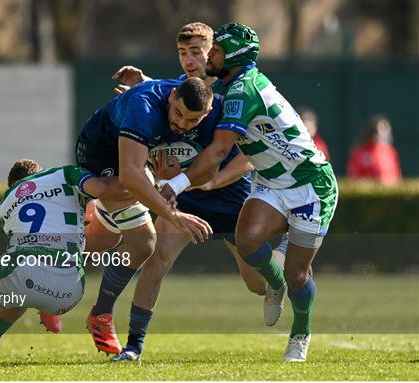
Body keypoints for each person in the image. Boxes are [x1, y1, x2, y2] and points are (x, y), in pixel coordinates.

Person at [104, 22, 287, 362]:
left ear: (214, 54)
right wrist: (140, 87)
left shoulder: (234, 94)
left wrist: (211, 182)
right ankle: (134, 347)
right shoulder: (180, 91)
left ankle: (279, 268)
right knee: (157, 259)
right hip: (185, 196)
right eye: (182, 53)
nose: (189, 60)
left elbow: (249, 157)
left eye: (197, 52)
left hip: (232, 198)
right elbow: (160, 94)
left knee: (256, 284)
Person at [161, 23, 338, 362]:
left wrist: (176, 185)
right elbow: (196, 93)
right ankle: (276, 284)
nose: (210, 55)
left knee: (297, 273)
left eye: (216, 51)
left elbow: (216, 153)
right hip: (273, 181)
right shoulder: (232, 84)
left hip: (309, 185)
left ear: (235, 56)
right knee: (247, 241)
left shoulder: (243, 90)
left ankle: (300, 333)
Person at [0, 159, 131, 365]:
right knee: (22, 288)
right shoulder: (65, 174)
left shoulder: (6, 201)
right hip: (70, 293)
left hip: (26, 272)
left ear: (14, 184)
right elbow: (100, 190)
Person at [76, 77, 214, 354]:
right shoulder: (144, 107)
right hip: (100, 158)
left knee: (106, 240)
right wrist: (175, 216)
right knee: (143, 242)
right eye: (178, 114)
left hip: (137, 162)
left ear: (207, 113)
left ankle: (63, 261)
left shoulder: (202, 106)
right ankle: (91, 309)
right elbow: (130, 177)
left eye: (192, 121)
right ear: (172, 96)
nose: (182, 125)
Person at [347, 115, 401, 185]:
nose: (381, 135)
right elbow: (353, 178)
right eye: (378, 132)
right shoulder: (359, 153)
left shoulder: (390, 151)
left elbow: (397, 175)